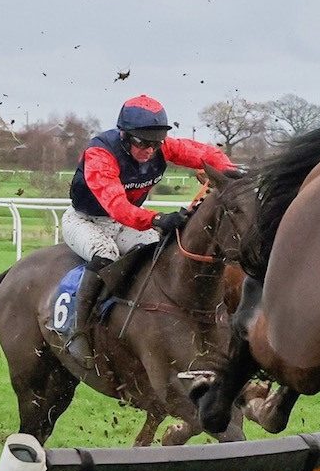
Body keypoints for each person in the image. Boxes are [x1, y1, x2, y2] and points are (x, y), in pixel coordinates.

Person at [61, 95, 238, 351]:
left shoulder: (159, 146)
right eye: (143, 143)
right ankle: (79, 329)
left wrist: (232, 175)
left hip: (123, 222)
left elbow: (206, 155)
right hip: (85, 220)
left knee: (160, 248)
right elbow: (117, 206)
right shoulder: (100, 154)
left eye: (156, 144)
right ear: (124, 135)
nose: (150, 151)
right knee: (105, 253)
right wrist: (156, 219)